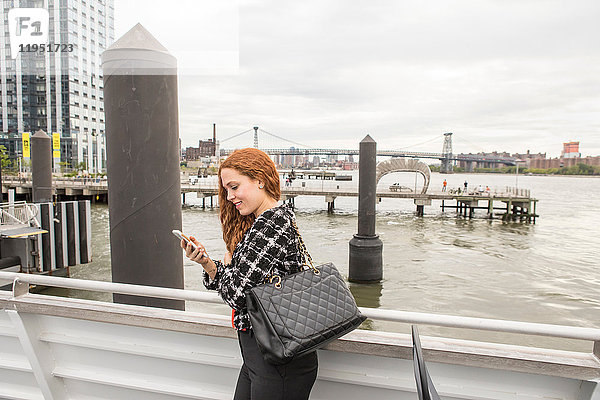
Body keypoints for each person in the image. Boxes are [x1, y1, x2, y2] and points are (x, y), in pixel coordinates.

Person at [181, 148, 318, 400]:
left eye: (234, 187)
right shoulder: (261, 223)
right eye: (226, 190)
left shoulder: (272, 223)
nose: (230, 196)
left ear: (260, 180)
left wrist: (231, 270)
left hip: (280, 360)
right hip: (263, 354)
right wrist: (208, 264)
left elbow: (237, 295)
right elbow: (239, 285)